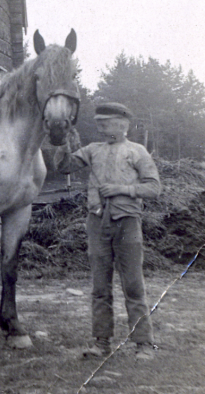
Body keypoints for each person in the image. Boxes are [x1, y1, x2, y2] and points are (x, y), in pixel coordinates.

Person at [57, 102, 161, 361]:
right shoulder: (92, 150)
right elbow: (64, 166)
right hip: (97, 224)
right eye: (99, 123)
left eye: (106, 123)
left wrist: (121, 189)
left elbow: (154, 188)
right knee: (100, 286)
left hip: (128, 223)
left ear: (123, 125)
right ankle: (101, 342)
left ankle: (143, 344)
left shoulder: (137, 151)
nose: (101, 127)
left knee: (133, 286)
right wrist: (62, 141)